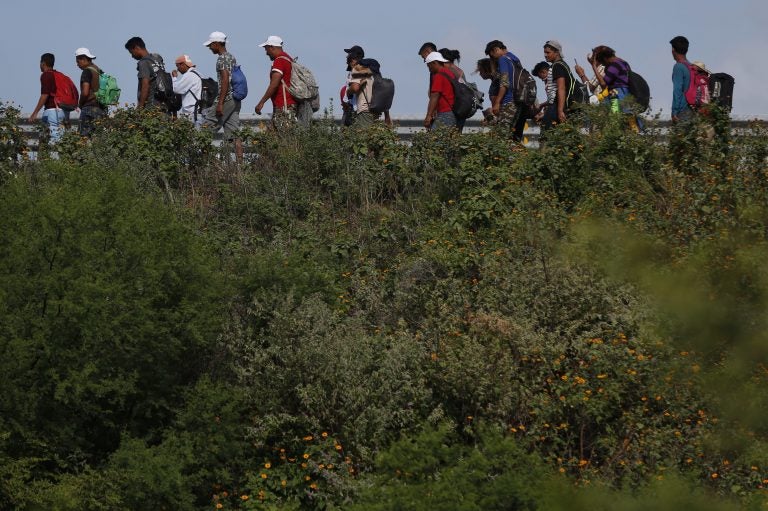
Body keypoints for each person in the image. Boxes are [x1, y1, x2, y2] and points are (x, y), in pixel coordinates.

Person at [201, 31, 243, 161]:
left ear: (216, 44)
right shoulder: (231, 57)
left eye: (211, 45)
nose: (209, 48)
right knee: (234, 134)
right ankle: (240, 167)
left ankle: (205, 164)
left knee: (205, 130)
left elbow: (225, 79)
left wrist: (220, 103)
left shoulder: (222, 58)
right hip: (235, 99)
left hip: (226, 99)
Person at [484, 39, 528, 141]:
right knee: (512, 136)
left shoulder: (503, 59)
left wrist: (497, 103)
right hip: (519, 100)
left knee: (501, 136)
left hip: (509, 101)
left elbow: (504, 83)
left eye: (491, 56)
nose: (492, 59)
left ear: (496, 50)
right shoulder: (514, 58)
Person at [255, 35, 298, 131]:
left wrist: (261, 102)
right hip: (288, 105)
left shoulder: (279, 60)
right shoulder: (288, 59)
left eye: (266, 49)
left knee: (284, 139)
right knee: (273, 139)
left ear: (272, 47)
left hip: (284, 106)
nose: (266, 53)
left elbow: (274, 84)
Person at [28, 53, 67, 143]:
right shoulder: (58, 74)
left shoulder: (46, 75)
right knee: (57, 140)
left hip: (52, 112)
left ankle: (52, 157)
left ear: (43, 63)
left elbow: (45, 95)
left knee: (54, 141)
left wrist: (35, 112)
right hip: (62, 111)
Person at [540, 40, 577, 131]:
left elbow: (561, 88)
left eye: (548, 52)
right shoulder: (562, 64)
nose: (545, 55)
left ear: (556, 52)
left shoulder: (557, 66)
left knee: (547, 133)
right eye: (545, 52)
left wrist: (560, 110)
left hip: (557, 106)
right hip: (559, 105)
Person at [346, 58, 392, 128]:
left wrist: (348, 91)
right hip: (376, 112)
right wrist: (387, 116)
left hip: (364, 111)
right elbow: (383, 97)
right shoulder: (378, 78)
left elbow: (355, 88)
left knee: (363, 136)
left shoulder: (361, 73)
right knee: (372, 136)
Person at [124, 36, 167, 111]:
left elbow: (145, 85)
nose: (132, 56)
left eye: (131, 52)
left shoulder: (143, 63)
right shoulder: (157, 58)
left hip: (152, 107)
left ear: (137, 48)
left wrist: (140, 107)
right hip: (164, 105)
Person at [74, 47, 106, 138]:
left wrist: (80, 104)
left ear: (83, 59)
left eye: (78, 61)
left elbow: (85, 92)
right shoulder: (99, 71)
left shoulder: (87, 71)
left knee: (82, 139)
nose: (77, 64)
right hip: (101, 109)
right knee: (98, 140)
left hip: (89, 108)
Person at [423, 51, 456, 130]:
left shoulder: (439, 76)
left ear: (434, 63)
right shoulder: (449, 73)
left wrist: (428, 116)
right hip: (453, 113)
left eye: (429, 66)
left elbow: (434, 97)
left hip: (445, 113)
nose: (429, 69)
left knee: (435, 140)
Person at [171, 54, 203, 124]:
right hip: (198, 111)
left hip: (191, 113)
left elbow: (176, 89)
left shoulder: (189, 75)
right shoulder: (198, 74)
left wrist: (174, 77)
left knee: (191, 134)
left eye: (177, 66)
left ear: (182, 64)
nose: (177, 69)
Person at [670, 35, 693, 123]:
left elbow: (677, 90)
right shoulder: (691, 66)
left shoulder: (678, 67)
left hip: (683, 111)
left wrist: (674, 112)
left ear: (673, 50)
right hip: (694, 110)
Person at [342, 45, 364, 126]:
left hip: (355, 111)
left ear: (354, 57)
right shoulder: (355, 71)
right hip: (352, 109)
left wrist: (348, 92)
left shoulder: (358, 70)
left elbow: (355, 88)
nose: (347, 57)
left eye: (349, 54)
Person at [475, 57, 499, 123]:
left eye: (481, 71)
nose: (480, 74)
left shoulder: (497, 82)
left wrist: (491, 112)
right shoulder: (495, 81)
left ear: (487, 69)